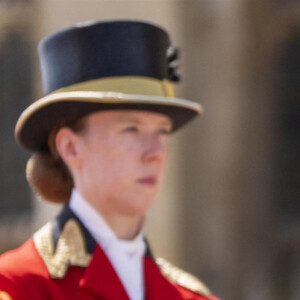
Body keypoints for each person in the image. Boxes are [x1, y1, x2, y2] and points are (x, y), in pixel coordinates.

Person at [0, 20, 220, 300]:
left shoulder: (193, 296)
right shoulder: (17, 286)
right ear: (71, 148)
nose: (156, 152)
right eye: (132, 129)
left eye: (162, 132)